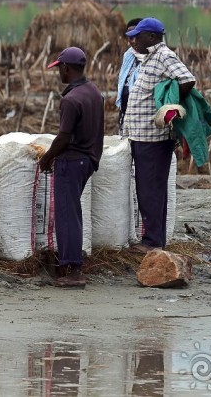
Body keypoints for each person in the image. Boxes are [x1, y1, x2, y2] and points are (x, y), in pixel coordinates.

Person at [122, 17, 196, 254]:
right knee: (149, 188)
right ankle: (155, 240)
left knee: (150, 190)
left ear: (152, 37)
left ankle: (152, 242)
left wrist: (169, 105)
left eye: (138, 35)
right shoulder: (148, 58)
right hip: (140, 135)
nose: (134, 40)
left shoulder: (164, 55)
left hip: (153, 137)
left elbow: (187, 79)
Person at [37, 47, 104, 288]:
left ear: (66, 68)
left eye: (59, 68)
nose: (58, 73)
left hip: (72, 161)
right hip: (88, 159)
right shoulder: (93, 92)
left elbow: (64, 137)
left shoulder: (71, 100)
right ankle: (69, 265)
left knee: (67, 216)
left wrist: (46, 158)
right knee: (72, 212)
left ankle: (73, 270)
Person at [116, 18, 143, 134]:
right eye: (130, 37)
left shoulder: (154, 58)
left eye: (136, 36)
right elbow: (123, 82)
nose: (132, 41)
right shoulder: (129, 55)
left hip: (142, 115)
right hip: (125, 110)